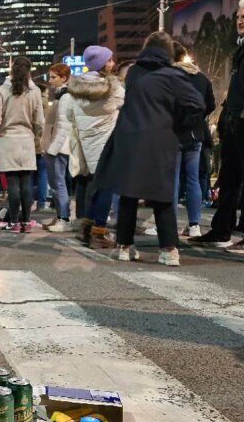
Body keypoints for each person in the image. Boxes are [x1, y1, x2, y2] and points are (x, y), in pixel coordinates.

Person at [95, 32, 205, 267]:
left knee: (128, 192)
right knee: (162, 194)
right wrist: (180, 124)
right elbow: (197, 104)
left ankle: (125, 246)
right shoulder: (173, 75)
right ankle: (168, 250)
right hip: (160, 137)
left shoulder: (134, 72)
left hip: (128, 136)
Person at [190, 0, 244, 255]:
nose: (239, 21)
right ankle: (221, 230)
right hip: (234, 122)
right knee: (229, 178)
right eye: (238, 16)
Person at [67, 45, 125, 247]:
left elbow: (69, 115)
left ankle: (87, 228)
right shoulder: (112, 87)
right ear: (101, 64)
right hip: (107, 142)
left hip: (87, 142)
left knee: (95, 186)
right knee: (106, 188)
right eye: (109, 60)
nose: (112, 64)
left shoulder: (76, 89)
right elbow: (125, 102)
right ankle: (98, 232)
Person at [0, 56, 45, 232]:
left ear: (12, 69)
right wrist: (36, 136)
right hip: (27, 139)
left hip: (7, 139)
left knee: (12, 183)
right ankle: (26, 222)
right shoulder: (34, 91)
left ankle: (13, 222)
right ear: (29, 71)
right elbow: (40, 121)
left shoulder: (1, 90)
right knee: (26, 183)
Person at [169, 42, 216, 237]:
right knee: (193, 179)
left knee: (171, 181)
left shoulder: (169, 76)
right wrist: (196, 118)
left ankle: (168, 223)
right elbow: (210, 104)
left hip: (173, 133)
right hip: (196, 134)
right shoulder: (202, 78)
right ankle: (194, 225)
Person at [42, 64, 73, 232]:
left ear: (64, 78)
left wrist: (52, 149)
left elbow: (63, 126)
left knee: (59, 183)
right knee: (55, 183)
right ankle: (61, 216)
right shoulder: (61, 95)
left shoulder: (65, 97)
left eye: (54, 77)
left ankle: (64, 218)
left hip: (59, 147)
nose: (50, 80)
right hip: (56, 146)